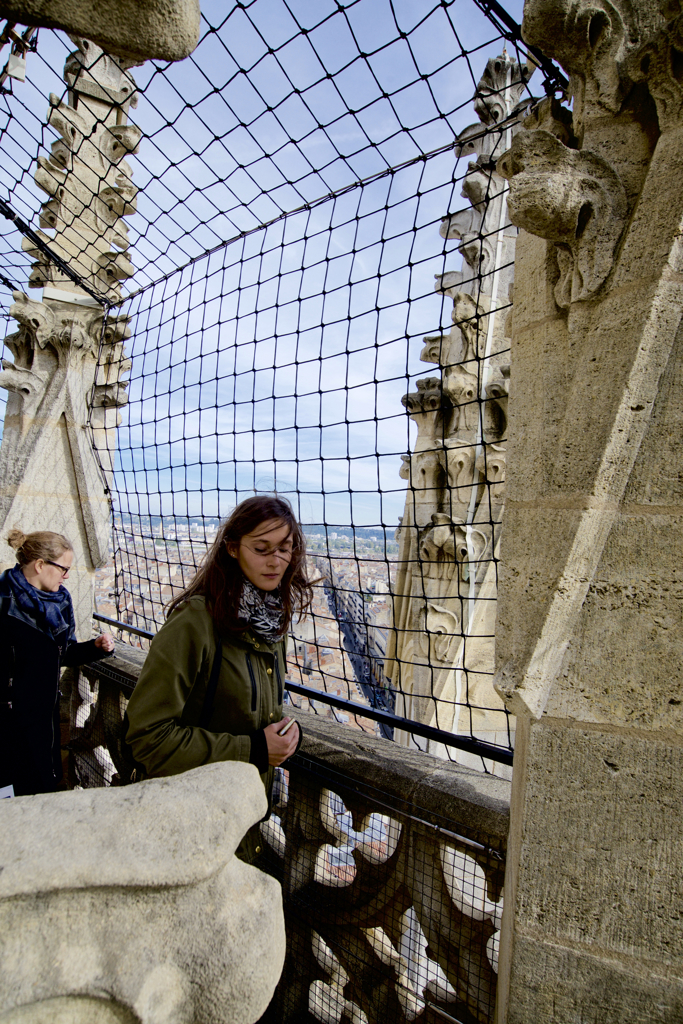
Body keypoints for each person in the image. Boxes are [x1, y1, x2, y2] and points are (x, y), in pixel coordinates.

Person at [125, 495, 313, 863]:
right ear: (232, 549)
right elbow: (146, 738)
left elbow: (250, 709)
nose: (275, 560)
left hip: (240, 822)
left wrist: (284, 733)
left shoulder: (272, 623)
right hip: (189, 827)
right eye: (262, 548)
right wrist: (255, 750)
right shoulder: (194, 623)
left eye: (285, 549)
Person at [0, 528, 115, 797]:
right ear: (40, 565)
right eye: (63, 569)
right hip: (9, 726)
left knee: (41, 790)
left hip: (43, 722)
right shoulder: (3, 602)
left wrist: (95, 648)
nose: (66, 577)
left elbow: (63, 653)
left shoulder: (60, 602)